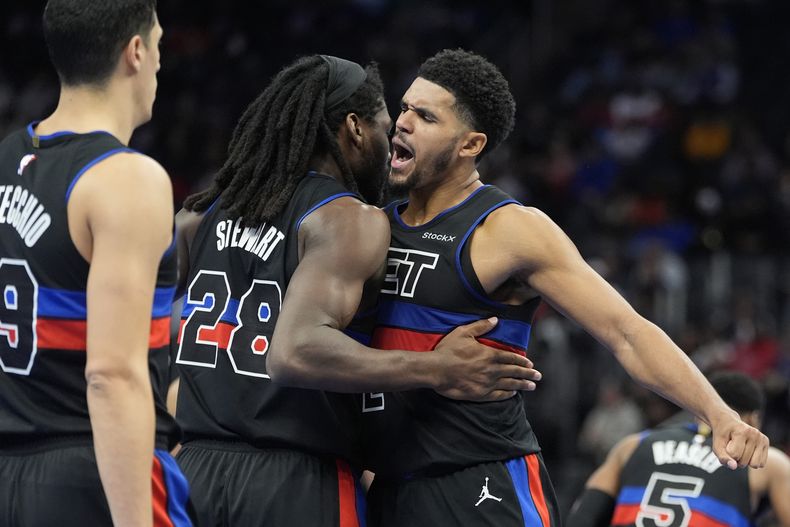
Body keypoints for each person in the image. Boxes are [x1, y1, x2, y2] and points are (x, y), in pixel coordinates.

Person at [361, 48, 769, 527]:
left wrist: (719, 415)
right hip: (388, 487)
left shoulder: (509, 229)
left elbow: (626, 332)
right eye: (405, 107)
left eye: (425, 116)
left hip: (479, 485)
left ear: (470, 145)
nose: (402, 123)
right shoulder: (369, 227)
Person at [173, 54, 541, 527]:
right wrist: (437, 367)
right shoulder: (348, 217)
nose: (392, 142)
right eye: (386, 126)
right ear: (354, 128)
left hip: (193, 471)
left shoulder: (197, 218)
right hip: (294, 478)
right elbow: (295, 350)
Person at [0, 1, 193, 526]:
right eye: (157, 42)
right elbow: (111, 375)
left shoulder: (4, 159)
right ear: (134, 52)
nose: (159, 60)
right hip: (91, 470)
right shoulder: (125, 178)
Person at [567, 371, 790, 527]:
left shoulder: (632, 444)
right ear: (754, 419)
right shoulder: (769, 461)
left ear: (697, 411)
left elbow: (583, 517)